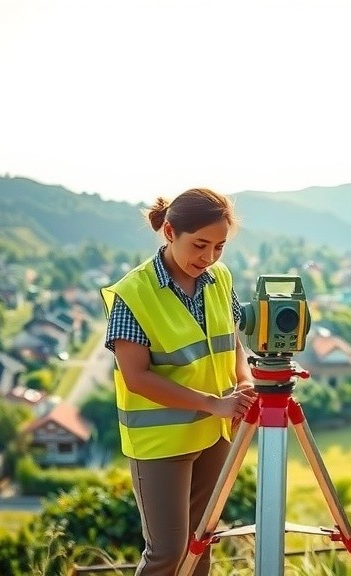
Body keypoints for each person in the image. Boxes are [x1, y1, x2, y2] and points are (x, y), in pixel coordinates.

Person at [101, 188, 257, 576]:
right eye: (200, 244)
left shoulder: (219, 278)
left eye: (219, 247)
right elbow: (136, 378)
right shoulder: (133, 294)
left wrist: (244, 380)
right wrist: (214, 403)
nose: (208, 258)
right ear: (170, 232)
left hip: (213, 432)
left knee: (199, 545)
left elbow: (231, 337)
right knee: (167, 553)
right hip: (161, 443)